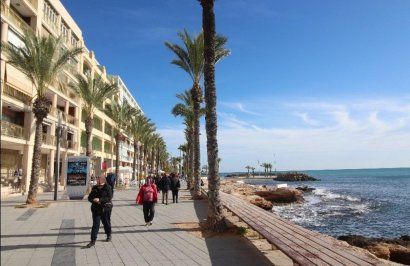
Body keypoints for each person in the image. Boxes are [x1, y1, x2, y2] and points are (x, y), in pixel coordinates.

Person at [86, 176, 113, 248]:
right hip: (96, 209)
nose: (97, 180)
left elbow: (109, 197)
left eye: (99, 179)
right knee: (95, 225)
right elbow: (89, 197)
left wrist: (100, 200)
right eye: (97, 179)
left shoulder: (108, 187)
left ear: (103, 180)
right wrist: (93, 200)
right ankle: (93, 240)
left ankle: (108, 234)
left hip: (105, 208)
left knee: (106, 222)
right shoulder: (94, 187)